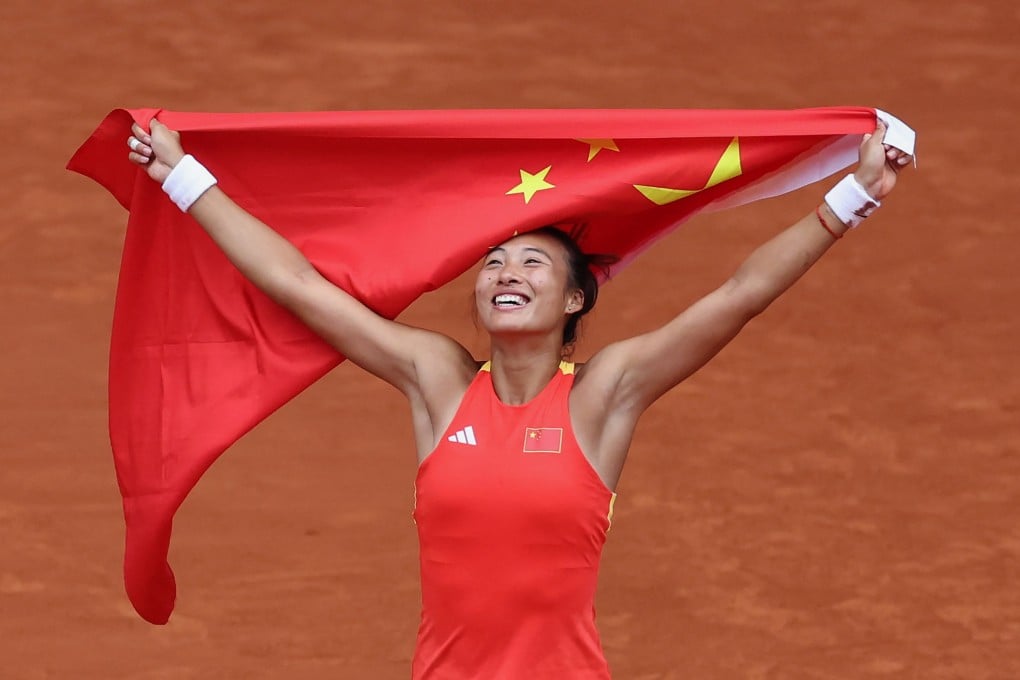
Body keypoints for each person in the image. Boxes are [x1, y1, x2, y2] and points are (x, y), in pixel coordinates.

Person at [127, 117, 911, 679]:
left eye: (534, 264)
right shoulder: (437, 381)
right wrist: (183, 177)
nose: (507, 273)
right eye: (495, 261)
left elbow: (740, 294)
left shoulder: (604, 395)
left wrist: (853, 199)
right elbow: (298, 284)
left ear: (575, 300)